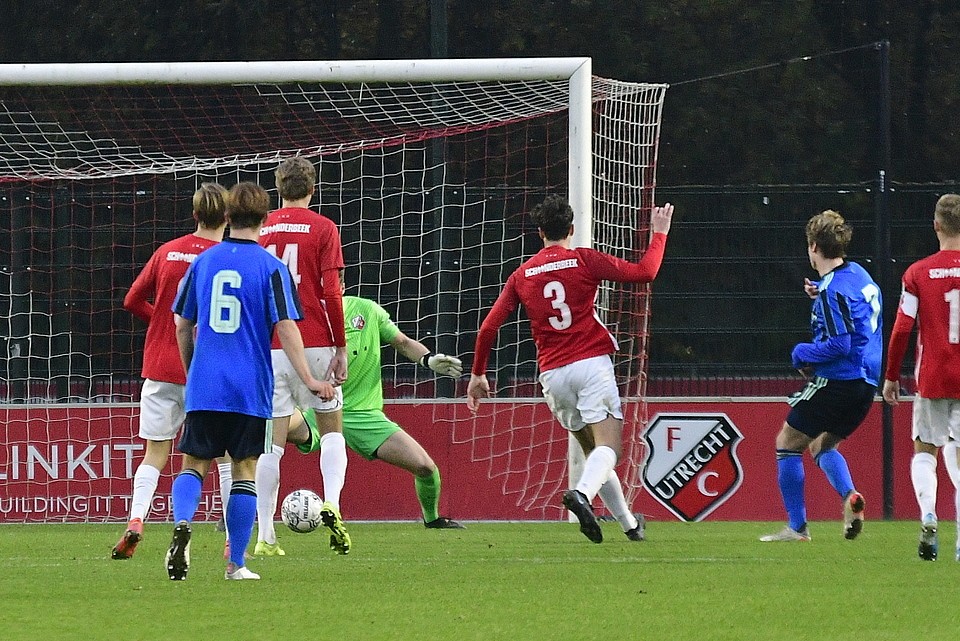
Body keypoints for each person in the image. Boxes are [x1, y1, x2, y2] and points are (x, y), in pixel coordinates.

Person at [467, 195, 672, 543]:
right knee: (609, 448)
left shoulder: (522, 274)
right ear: (571, 229)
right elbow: (645, 272)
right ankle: (581, 494)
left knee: (594, 454)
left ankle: (629, 525)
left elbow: (488, 327)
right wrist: (660, 234)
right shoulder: (584, 260)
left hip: (553, 376)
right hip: (590, 364)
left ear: (540, 232)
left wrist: (478, 374)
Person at [168, 181, 333, 581]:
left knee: (194, 464)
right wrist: (309, 378)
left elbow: (182, 325)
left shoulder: (203, 262)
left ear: (226, 216)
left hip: (206, 382)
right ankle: (236, 564)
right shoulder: (271, 267)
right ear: (264, 219)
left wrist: (193, 372)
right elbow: (287, 328)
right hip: (249, 386)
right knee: (244, 469)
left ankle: (183, 523)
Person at [111, 183, 229, 560]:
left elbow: (132, 299)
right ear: (227, 217)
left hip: (160, 367)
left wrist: (160, 320)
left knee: (154, 453)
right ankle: (232, 539)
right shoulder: (225, 257)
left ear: (194, 215)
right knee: (226, 458)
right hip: (207, 371)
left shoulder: (167, 251)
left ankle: (136, 520)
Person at [288, 282, 466, 529]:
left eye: (332, 285)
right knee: (270, 428)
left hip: (363, 416)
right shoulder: (300, 319)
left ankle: (433, 520)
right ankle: (247, 509)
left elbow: (403, 342)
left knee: (425, 467)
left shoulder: (366, 310)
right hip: (317, 408)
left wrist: (428, 359)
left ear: (341, 286)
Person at [760, 209, 882, 543]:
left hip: (839, 380)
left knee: (787, 443)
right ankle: (850, 497)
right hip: (866, 384)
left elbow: (841, 344)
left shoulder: (832, 292)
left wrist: (802, 352)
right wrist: (821, 291)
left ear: (814, 246)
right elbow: (855, 312)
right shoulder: (858, 275)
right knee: (822, 444)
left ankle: (797, 528)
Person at [254, 157, 351, 557]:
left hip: (272, 345)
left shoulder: (260, 228)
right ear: (313, 189)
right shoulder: (324, 228)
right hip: (314, 340)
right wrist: (340, 346)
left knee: (270, 445)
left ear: (278, 189)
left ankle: (265, 535)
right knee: (331, 430)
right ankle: (333, 504)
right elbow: (331, 291)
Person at [882, 193, 960, 561]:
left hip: (932, 378)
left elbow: (902, 328)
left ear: (936, 225)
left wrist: (891, 376)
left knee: (925, 450)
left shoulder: (918, 272)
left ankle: (929, 515)